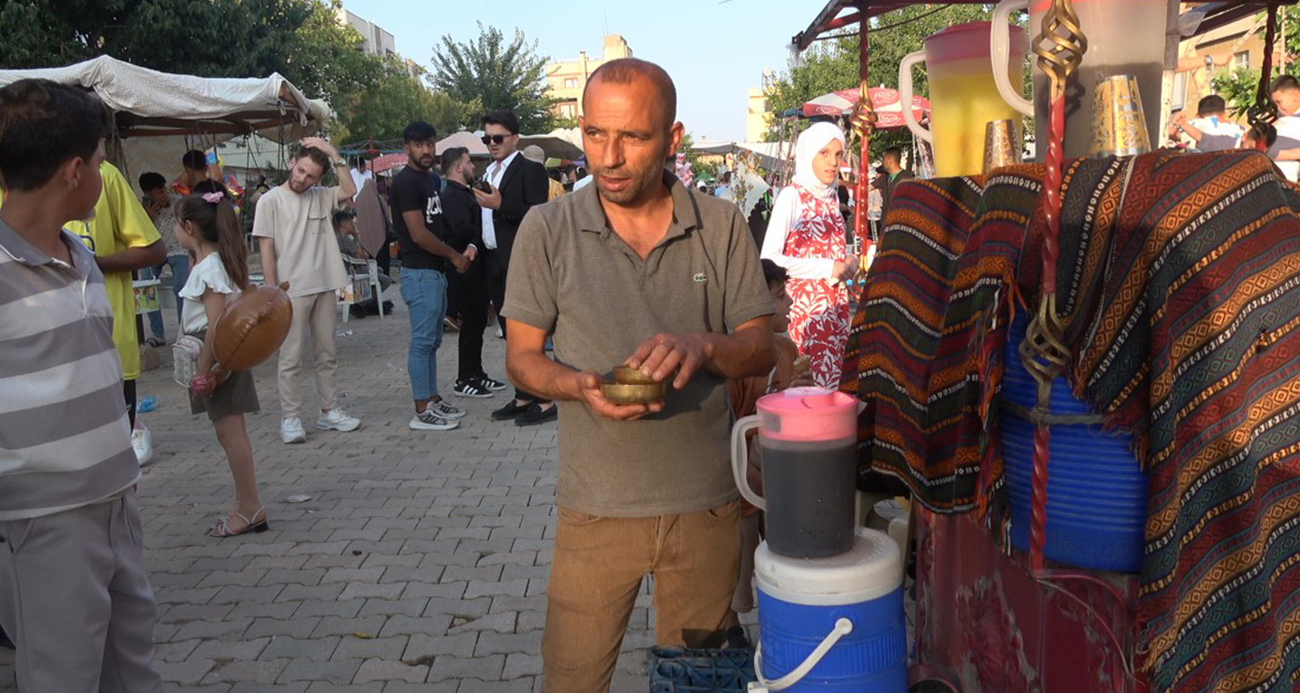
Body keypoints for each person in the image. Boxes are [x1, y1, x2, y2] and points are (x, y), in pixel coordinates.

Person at [503, 57, 776, 692]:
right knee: (572, 678)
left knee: (701, 681)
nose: (610, 156)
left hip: (706, 510)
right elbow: (521, 359)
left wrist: (703, 347)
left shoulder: (721, 224)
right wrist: (579, 386)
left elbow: (761, 348)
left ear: (673, 139)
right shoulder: (548, 230)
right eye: (596, 134)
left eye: (634, 137)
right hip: (594, 511)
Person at [0, 77, 164, 693]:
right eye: (100, 162)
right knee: (62, 672)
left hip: (116, 498)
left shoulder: (83, 257)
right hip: (43, 517)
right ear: (75, 172)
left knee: (131, 662)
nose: (105, 174)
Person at [723, 259, 811, 647]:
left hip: (784, 481)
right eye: (780, 296)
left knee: (784, 556)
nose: (790, 302)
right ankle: (729, 625)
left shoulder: (787, 349)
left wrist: (803, 392)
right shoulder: (737, 363)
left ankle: (785, 616)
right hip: (744, 485)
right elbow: (730, 430)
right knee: (735, 566)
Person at [253, 137, 362, 444]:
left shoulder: (321, 196)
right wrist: (273, 291)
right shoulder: (270, 200)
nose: (302, 178)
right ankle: (291, 417)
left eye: (310, 175)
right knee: (290, 357)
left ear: (318, 178)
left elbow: (350, 190)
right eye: (300, 170)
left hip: (326, 283)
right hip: (290, 290)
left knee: (327, 353)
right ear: (292, 164)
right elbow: (266, 247)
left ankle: (329, 410)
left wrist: (332, 153)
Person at [175, 189, 268, 537]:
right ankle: (247, 502)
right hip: (219, 355)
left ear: (190, 227)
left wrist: (209, 370)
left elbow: (216, 324)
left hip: (216, 355)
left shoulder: (210, 267)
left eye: (176, 224)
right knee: (233, 433)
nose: (175, 231)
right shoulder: (210, 264)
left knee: (231, 435)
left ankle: (250, 507)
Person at [761, 122, 857, 389]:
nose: (833, 162)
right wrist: (829, 268)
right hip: (805, 317)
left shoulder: (831, 199)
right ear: (808, 154)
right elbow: (770, 258)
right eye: (824, 153)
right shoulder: (793, 196)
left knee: (830, 394)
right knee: (805, 392)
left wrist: (848, 265)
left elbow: (832, 255)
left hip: (833, 315)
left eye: (838, 154)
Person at [389, 121, 471, 431]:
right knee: (422, 342)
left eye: (430, 143)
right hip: (419, 271)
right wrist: (453, 255)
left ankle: (433, 398)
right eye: (419, 144)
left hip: (435, 272)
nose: (426, 150)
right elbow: (419, 234)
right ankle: (421, 408)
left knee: (433, 341)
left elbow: (438, 225)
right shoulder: (405, 183)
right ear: (407, 147)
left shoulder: (432, 180)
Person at [474, 109, 554, 426]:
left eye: (498, 138)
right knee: (510, 334)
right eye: (487, 138)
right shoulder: (490, 170)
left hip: (520, 261)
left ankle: (545, 401)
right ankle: (523, 395)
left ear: (515, 138)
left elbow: (538, 216)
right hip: (493, 260)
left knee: (528, 336)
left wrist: (500, 205)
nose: (492, 143)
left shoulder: (529, 169)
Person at [440, 145, 509, 399]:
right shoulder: (453, 197)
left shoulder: (465, 193)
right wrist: (478, 239)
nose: (472, 167)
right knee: (470, 324)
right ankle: (463, 378)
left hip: (477, 268)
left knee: (478, 322)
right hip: (464, 268)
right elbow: (464, 230)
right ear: (458, 167)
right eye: (469, 163)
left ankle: (476, 372)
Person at [139, 171, 190, 341]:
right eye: (159, 193)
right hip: (153, 250)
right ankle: (157, 335)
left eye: (164, 190)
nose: (164, 196)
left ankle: (184, 331)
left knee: (181, 286)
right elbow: (138, 236)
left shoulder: (177, 203)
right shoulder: (140, 210)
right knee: (146, 288)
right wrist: (149, 219)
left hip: (177, 249)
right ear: (148, 195)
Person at [1171, 95, 1245, 152]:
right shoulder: (1240, 130)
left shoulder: (1194, 125)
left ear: (1197, 116)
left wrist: (1175, 119)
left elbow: (1172, 133)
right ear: (1224, 115)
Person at [873, 146, 914, 224]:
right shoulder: (885, 177)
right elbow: (868, 187)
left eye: (884, 160)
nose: (882, 163)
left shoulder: (907, 178)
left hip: (900, 223)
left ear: (890, 161)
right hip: (886, 222)